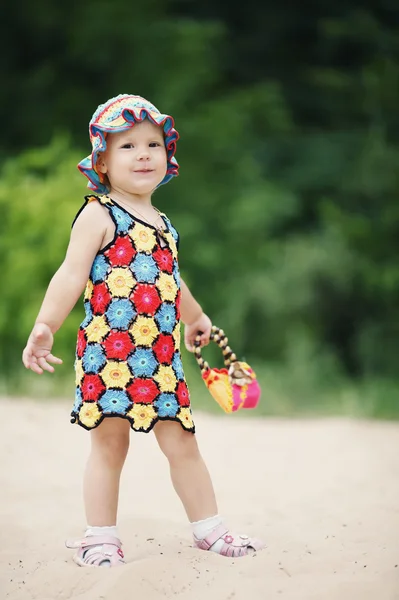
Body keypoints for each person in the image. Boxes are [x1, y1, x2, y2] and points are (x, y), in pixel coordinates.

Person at [22, 94, 264, 567]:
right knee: (110, 442)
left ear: (167, 157)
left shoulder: (165, 224)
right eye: (128, 146)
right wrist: (45, 324)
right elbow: (71, 273)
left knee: (182, 440)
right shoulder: (99, 214)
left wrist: (196, 317)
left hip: (160, 356)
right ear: (103, 163)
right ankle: (100, 537)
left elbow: (172, 279)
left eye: (153, 144)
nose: (143, 154)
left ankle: (209, 528)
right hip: (108, 355)